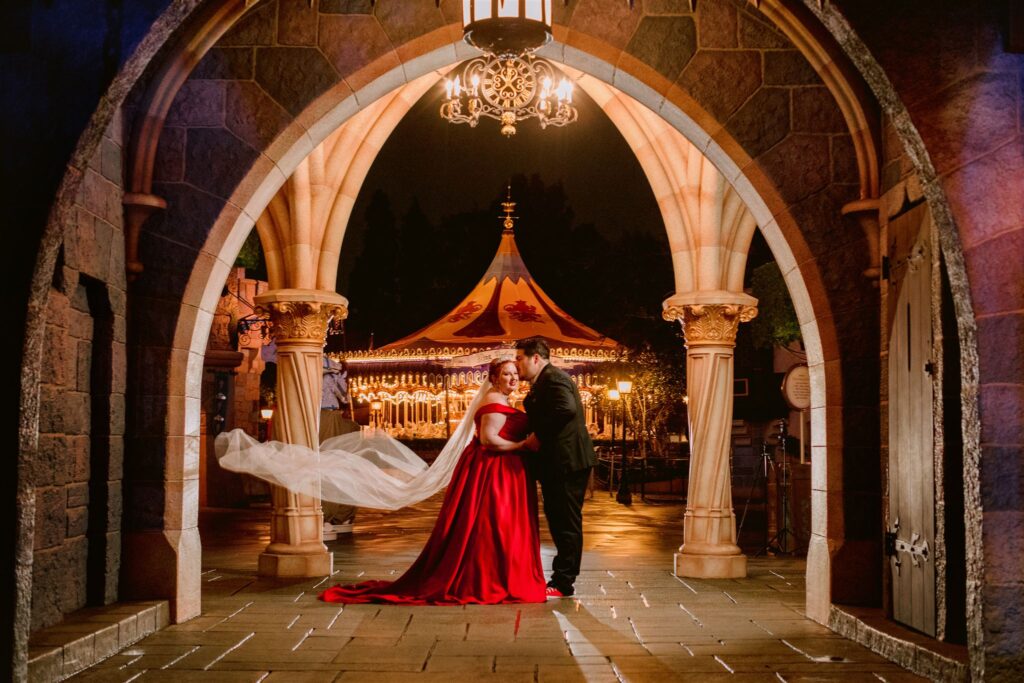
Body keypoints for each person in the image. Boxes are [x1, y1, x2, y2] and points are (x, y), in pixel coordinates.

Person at [319, 359, 546, 605]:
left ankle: (496, 571)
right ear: (494, 378)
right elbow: (489, 440)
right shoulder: (494, 401)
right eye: (507, 374)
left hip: (500, 467)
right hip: (494, 469)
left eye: (515, 374)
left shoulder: (500, 399)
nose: (513, 379)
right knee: (493, 521)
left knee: (492, 522)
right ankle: (489, 574)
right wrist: (523, 445)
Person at [516, 337, 596, 599]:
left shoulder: (554, 379)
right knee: (559, 519)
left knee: (565, 521)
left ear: (535, 358)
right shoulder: (544, 381)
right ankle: (562, 578)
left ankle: (563, 581)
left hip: (567, 462)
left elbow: (565, 409)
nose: (517, 364)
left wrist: (538, 436)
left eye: (519, 358)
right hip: (558, 462)